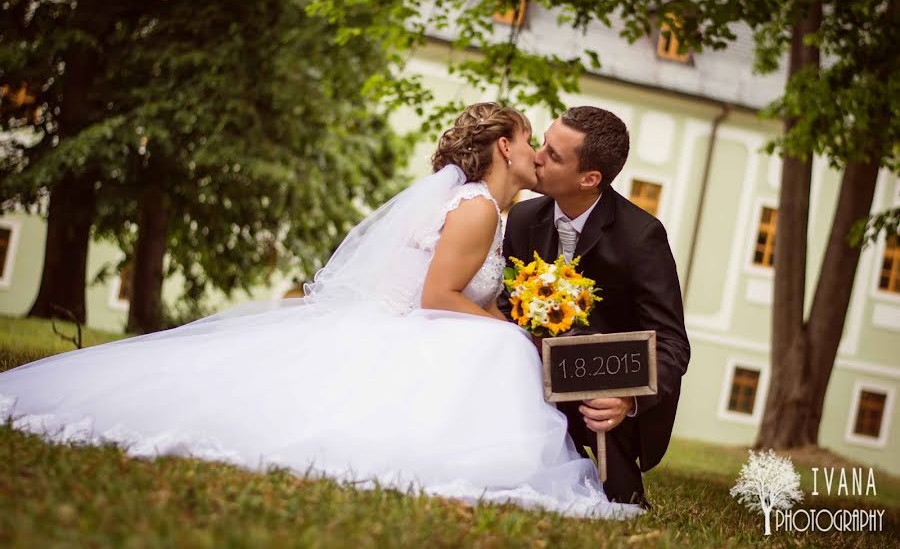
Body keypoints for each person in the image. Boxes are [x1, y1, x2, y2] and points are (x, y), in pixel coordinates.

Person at [0, 103, 640, 519]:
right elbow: (437, 299)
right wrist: (517, 335)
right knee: (500, 348)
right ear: (504, 147)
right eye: (532, 142)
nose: (535, 155)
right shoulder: (475, 207)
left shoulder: (494, 212)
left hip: (411, 325)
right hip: (414, 324)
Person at [499, 106, 690, 509]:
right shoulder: (522, 218)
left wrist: (626, 399)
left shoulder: (641, 237)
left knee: (621, 505)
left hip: (602, 401)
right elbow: (504, 304)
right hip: (527, 380)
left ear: (589, 179)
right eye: (543, 144)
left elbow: (672, 343)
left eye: (553, 155)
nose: (536, 156)